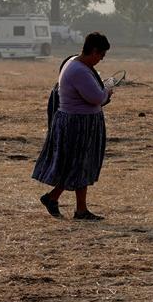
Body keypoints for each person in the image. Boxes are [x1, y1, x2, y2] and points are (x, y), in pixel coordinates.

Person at [32, 32, 112, 220]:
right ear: (93, 51)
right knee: (77, 166)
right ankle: (61, 201)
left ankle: (74, 207)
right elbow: (96, 98)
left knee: (77, 166)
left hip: (78, 121)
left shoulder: (75, 63)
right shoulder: (79, 71)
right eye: (100, 55)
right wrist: (107, 92)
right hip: (78, 124)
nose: (100, 60)